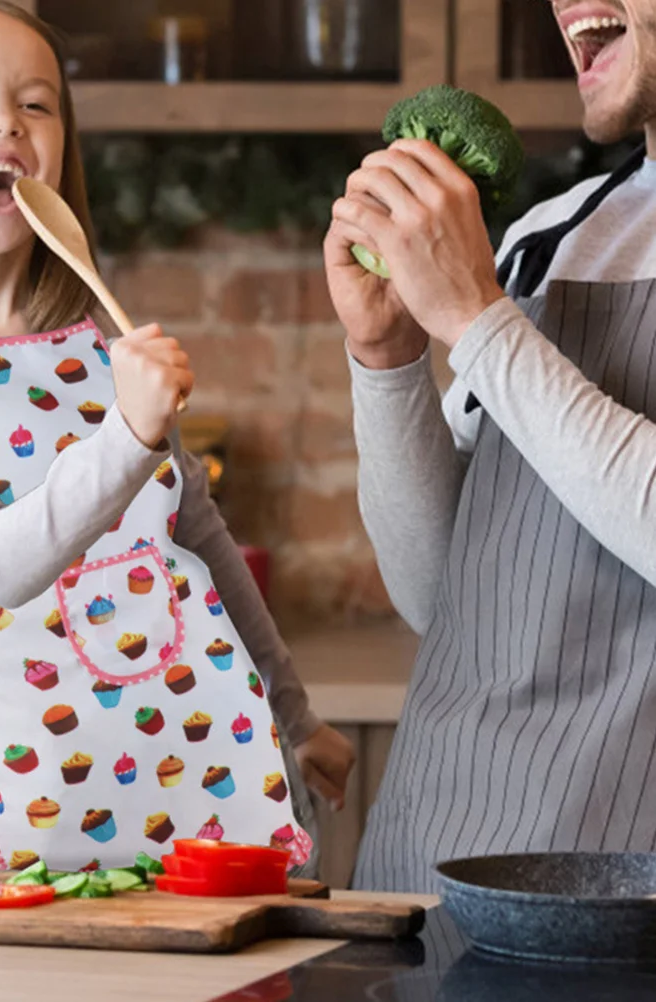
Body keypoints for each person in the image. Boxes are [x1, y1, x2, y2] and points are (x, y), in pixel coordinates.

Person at [0, 0, 354, 874]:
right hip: (53, 825)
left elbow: (200, 539)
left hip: (214, 779)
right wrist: (128, 434)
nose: (7, 119)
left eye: (36, 104)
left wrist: (295, 721)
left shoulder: (100, 350)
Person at [325, 0, 656, 893]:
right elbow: (446, 597)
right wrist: (389, 361)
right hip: (421, 864)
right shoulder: (548, 238)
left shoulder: (489, 284)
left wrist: (476, 319)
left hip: (616, 895)